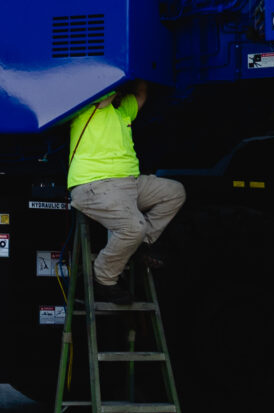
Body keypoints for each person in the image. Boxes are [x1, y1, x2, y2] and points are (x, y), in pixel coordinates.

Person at [66, 78, 186, 287]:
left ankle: (139, 245)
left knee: (174, 192)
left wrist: (142, 76)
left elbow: (140, 96)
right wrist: (126, 76)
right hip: (95, 184)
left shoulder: (121, 111)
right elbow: (106, 91)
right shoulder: (88, 107)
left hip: (128, 183)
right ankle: (104, 278)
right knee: (133, 227)